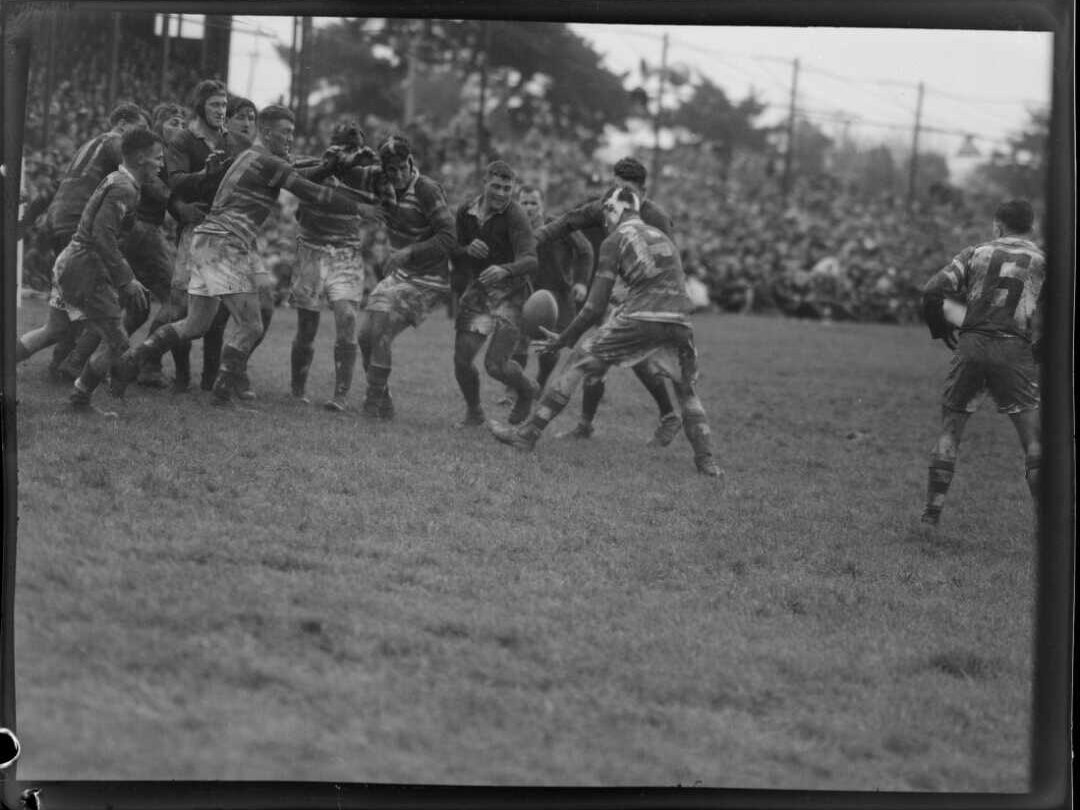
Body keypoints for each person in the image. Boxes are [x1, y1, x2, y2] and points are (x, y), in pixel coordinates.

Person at [115, 105, 383, 408]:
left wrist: (336, 165)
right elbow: (311, 191)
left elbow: (301, 170)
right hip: (224, 242)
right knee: (251, 325)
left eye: (293, 133)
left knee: (194, 325)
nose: (290, 139)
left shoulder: (254, 156)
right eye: (286, 132)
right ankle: (223, 393)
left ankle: (131, 360)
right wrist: (360, 207)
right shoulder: (266, 160)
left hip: (208, 239)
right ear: (267, 133)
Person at [489, 186, 721, 478]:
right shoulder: (661, 236)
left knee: (577, 360)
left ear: (616, 209)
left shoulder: (615, 240)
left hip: (644, 316)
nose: (604, 222)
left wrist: (565, 338)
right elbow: (666, 282)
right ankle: (707, 461)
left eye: (605, 214)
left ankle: (526, 436)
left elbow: (593, 308)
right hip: (680, 320)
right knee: (686, 390)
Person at [533, 157, 683, 446]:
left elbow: (671, 264)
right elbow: (567, 221)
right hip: (612, 288)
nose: (618, 196)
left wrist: (641, 295)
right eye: (614, 187)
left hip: (645, 298)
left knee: (607, 356)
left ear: (643, 192)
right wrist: (536, 235)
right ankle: (589, 425)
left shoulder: (657, 218)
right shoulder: (606, 204)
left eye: (626, 189)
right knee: (600, 360)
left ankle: (669, 417)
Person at [917, 198, 1045, 528]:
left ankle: (931, 515)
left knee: (950, 431)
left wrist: (940, 328)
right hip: (1013, 350)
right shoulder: (1043, 261)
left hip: (971, 345)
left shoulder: (975, 252)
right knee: (1033, 440)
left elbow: (932, 289)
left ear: (998, 225)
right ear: (1031, 227)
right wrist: (1042, 349)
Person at [14, 102, 149, 374]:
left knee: (59, 324)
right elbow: (136, 168)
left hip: (58, 225)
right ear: (123, 124)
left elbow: (56, 185)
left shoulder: (86, 146)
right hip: (79, 231)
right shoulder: (115, 142)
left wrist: (28, 220)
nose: (142, 139)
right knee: (110, 303)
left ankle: (61, 364)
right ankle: (78, 371)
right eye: (141, 129)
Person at [53, 128, 163, 415]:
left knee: (122, 324)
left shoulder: (121, 182)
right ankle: (81, 398)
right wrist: (126, 279)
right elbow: (102, 236)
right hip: (84, 265)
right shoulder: (123, 188)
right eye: (157, 158)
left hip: (87, 263)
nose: (161, 164)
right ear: (140, 158)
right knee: (117, 339)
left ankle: (83, 392)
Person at [351, 135, 457, 420]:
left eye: (402, 168)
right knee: (364, 338)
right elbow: (345, 178)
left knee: (382, 332)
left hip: (428, 280)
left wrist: (409, 251)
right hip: (400, 275)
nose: (398, 175)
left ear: (411, 162)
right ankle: (384, 403)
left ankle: (371, 407)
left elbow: (449, 237)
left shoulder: (427, 189)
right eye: (391, 170)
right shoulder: (381, 183)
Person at [158, 79, 245, 394]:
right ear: (201, 107)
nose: (221, 111)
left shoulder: (231, 140)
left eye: (224, 105)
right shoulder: (184, 139)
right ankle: (181, 376)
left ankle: (210, 379)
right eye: (214, 105)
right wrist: (203, 176)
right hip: (195, 231)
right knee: (182, 305)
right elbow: (175, 180)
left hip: (226, 231)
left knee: (219, 310)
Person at [287, 121, 379, 411]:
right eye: (343, 146)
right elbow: (291, 178)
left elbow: (384, 196)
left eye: (354, 148)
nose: (349, 154)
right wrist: (327, 168)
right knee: (307, 324)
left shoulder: (368, 176)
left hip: (346, 251)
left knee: (347, 317)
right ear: (332, 145)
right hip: (311, 248)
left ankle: (340, 396)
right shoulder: (314, 166)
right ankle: (297, 388)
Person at [450, 160, 539, 427]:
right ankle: (475, 412)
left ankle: (527, 390)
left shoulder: (516, 215)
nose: (501, 193)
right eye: (496, 186)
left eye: (507, 188)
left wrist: (505, 269)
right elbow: (454, 248)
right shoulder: (466, 211)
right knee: (462, 360)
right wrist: (467, 249)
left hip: (513, 294)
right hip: (480, 291)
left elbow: (531, 259)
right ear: (485, 183)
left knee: (495, 366)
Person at [514, 184, 593, 392]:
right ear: (517, 204)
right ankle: (514, 390)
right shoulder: (513, 227)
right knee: (517, 341)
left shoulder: (559, 225)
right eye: (524, 202)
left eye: (533, 203)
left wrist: (581, 282)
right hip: (525, 290)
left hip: (558, 292)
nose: (529, 207)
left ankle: (539, 383)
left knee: (550, 346)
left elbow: (585, 251)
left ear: (542, 204)